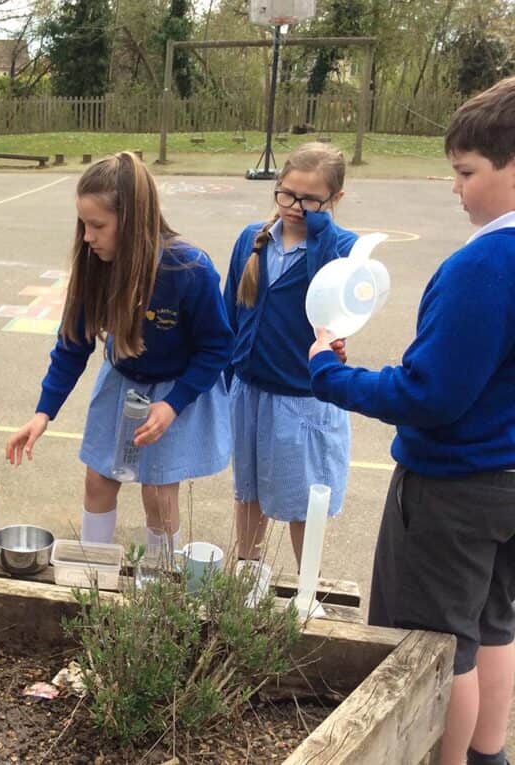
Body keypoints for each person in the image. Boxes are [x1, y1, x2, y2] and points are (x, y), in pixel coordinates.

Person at [308, 77, 515, 765]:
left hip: (454, 490)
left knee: (437, 645)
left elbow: (431, 394)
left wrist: (331, 374)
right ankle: (489, 752)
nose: (455, 188)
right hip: (508, 485)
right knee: (494, 625)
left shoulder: (486, 263)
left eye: (467, 172)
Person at [5, 151, 232, 551]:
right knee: (98, 479)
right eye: (84, 224)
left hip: (173, 389)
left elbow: (216, 347)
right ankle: (94, 571)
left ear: (131, 222)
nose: (88, 236)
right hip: (123, 383)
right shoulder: (95, 263)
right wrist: (43, 413)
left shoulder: (189, 269)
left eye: (97, 225)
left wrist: (174, 404)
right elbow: (72, 345)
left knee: (159, 495)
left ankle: (160, 591)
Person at [223, 142, 356, 567]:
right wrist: (225, 375)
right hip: (250, 388)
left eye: (311, 200)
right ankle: (248, 573)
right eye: (287, 194)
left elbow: (345, 315)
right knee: (249, 491)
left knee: (305, 499)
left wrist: (319, 232)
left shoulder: (342, 249)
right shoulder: (252, 239)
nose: (295, 207)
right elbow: (230, 311)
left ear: (335, 199)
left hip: (302, 397)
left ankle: (307, 584)